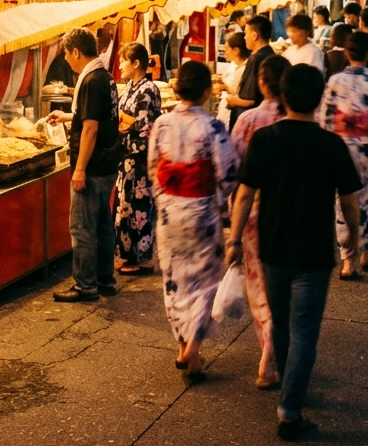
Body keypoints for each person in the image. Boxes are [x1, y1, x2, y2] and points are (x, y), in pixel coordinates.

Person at [227, 65, 363, 441]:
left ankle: (290, 391)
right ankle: (290, 407)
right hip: (314, 253)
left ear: (282, 95)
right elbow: (349, 200)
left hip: (273, 247)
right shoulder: (331, 144)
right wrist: (353, 238)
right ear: (320, 99)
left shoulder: (266, 139)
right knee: (304, 329)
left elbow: (245, 194)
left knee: (282, 324)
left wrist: (234, 239)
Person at [147, 60, 239, 381]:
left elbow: (152, 169)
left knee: (175, 280)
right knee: (206, 280)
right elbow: (228, 175)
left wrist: (165, 201)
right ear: (206, 91)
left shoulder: (161, 124)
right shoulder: (213, 127)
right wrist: (223, 210)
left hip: (170, 213)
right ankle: (194, 349)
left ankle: (182, 343)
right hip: (202, 213)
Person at [230, 55, 291, 390]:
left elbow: (235, 171)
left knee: (259, 287)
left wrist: (231, 231)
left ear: (263, 84)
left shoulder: (248, 121)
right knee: (284, 288)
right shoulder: (299, 121)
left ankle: (269, 350)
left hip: (253, 216)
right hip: (290, 214)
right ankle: (275, 350)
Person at [48, 28, 122, 302]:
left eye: (67, 54)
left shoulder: (90, 80)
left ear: (76, 51)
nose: (66, 60)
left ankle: (85, 285)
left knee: (82, 228)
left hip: (92, 167)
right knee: (102, 224)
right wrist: (69, 117)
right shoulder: (105, 76)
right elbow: (93, 117)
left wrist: (79, 169)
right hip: (107, 163)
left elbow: (90, 129)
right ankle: (105, 279)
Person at [317, 33, 368, 277]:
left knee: (343, 201)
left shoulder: (334, 81)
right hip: (367, 149)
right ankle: (366, 251)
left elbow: (324, 117)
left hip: (338, 148)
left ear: (346, 53)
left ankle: (347, 260)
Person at [115, 43, 162, 275]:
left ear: (136, 63)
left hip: (140, 158)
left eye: (124, 61)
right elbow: (124, 121)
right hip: (126, 157)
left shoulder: (149, 88)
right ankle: (128, 257)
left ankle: (143, 260)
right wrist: (125, 121)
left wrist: (126, 121)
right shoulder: (129, 87)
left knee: (139, 208)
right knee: (126, 207)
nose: (120, 65)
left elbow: (144, 125)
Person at [225, 15, 273, 128]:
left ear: (254, 35)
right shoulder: (271, 54)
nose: (245, 37)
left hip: (249, 121)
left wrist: (232, 100)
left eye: (246, 33)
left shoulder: (255, 59)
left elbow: (249, 100)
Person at [215, 31, 249, 124]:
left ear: (236, 51)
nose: (224, 51)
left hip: (233, 113)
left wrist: (225, 88)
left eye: (226, 48)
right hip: (224, 110)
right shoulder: (233, 65)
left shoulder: (245, 69)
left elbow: (240, 95)